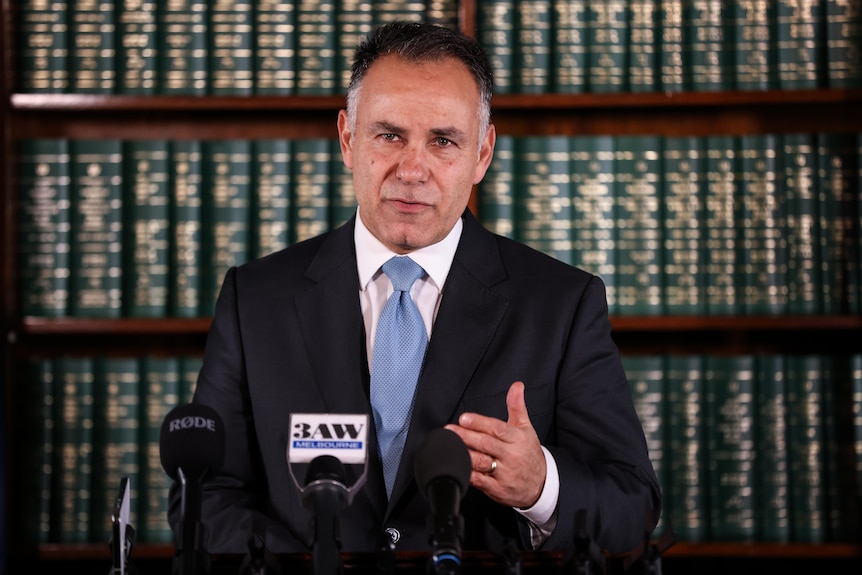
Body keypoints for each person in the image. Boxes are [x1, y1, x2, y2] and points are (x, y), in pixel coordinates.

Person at [168, 21, 660, 560]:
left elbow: (632, 505)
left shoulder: (562, 305)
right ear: (348, 140)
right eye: (389, 135)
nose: (412, 169)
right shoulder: (255, 299)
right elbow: (204, 497)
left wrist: (541, 487)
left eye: (443, 141)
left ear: (482, 154)